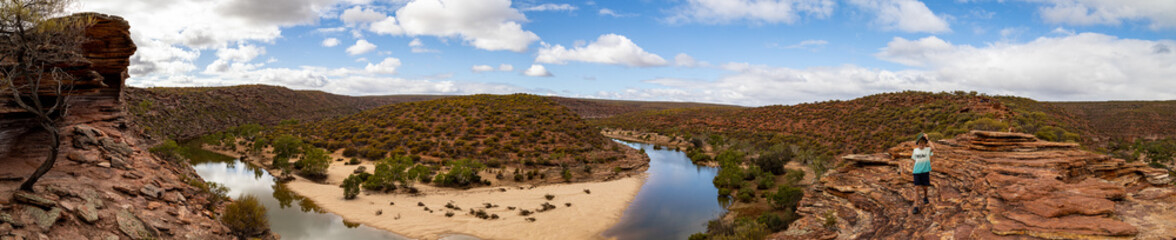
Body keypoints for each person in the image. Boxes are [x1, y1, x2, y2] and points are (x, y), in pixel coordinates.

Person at [911, 133, 933, 214]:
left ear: (925, 143)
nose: (921, 144)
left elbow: (933, 148)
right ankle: (916, 206)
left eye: (923, 143)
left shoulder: (927, 150)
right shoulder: (915, 151)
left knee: (925, 188)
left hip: (925, 172)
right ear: (918, 144)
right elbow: (914, 160)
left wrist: (928, 139)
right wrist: (913, 170)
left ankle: (925, 197)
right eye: (919, 143)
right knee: (916, 188)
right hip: (917, 172)